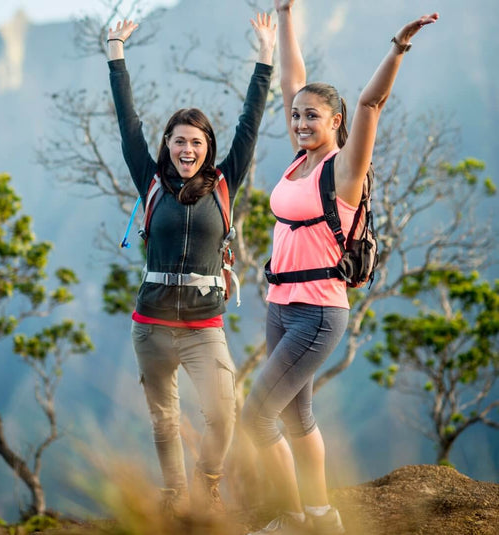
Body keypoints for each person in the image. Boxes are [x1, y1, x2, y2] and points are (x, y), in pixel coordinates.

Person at [242, 2, 439, 533]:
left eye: (314, 116)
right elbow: (294, 79)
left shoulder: (343, 169)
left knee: (255, 416)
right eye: (297, 114)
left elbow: (372, 102)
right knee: (295, 416)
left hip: (318, 313)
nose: (302, 121)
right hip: (280, 306)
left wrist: (398, 46)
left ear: (337, 123)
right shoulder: (297, 160)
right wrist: (285, 14)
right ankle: (324, 517)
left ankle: (292, 518)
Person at [106, 14, 276, 514]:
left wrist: (265, 54)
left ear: (208, 150)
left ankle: (208, 482)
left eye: (196, 143)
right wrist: (116, 52)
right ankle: (174, 494)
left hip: (204, 324)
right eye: (178, 141)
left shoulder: (225, 183)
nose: (186, 149)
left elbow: (252, 118)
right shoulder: (151, 180)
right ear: (167, 146)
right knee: (164, 419)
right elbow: (127, 120)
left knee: (222, 414)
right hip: (152, 323)